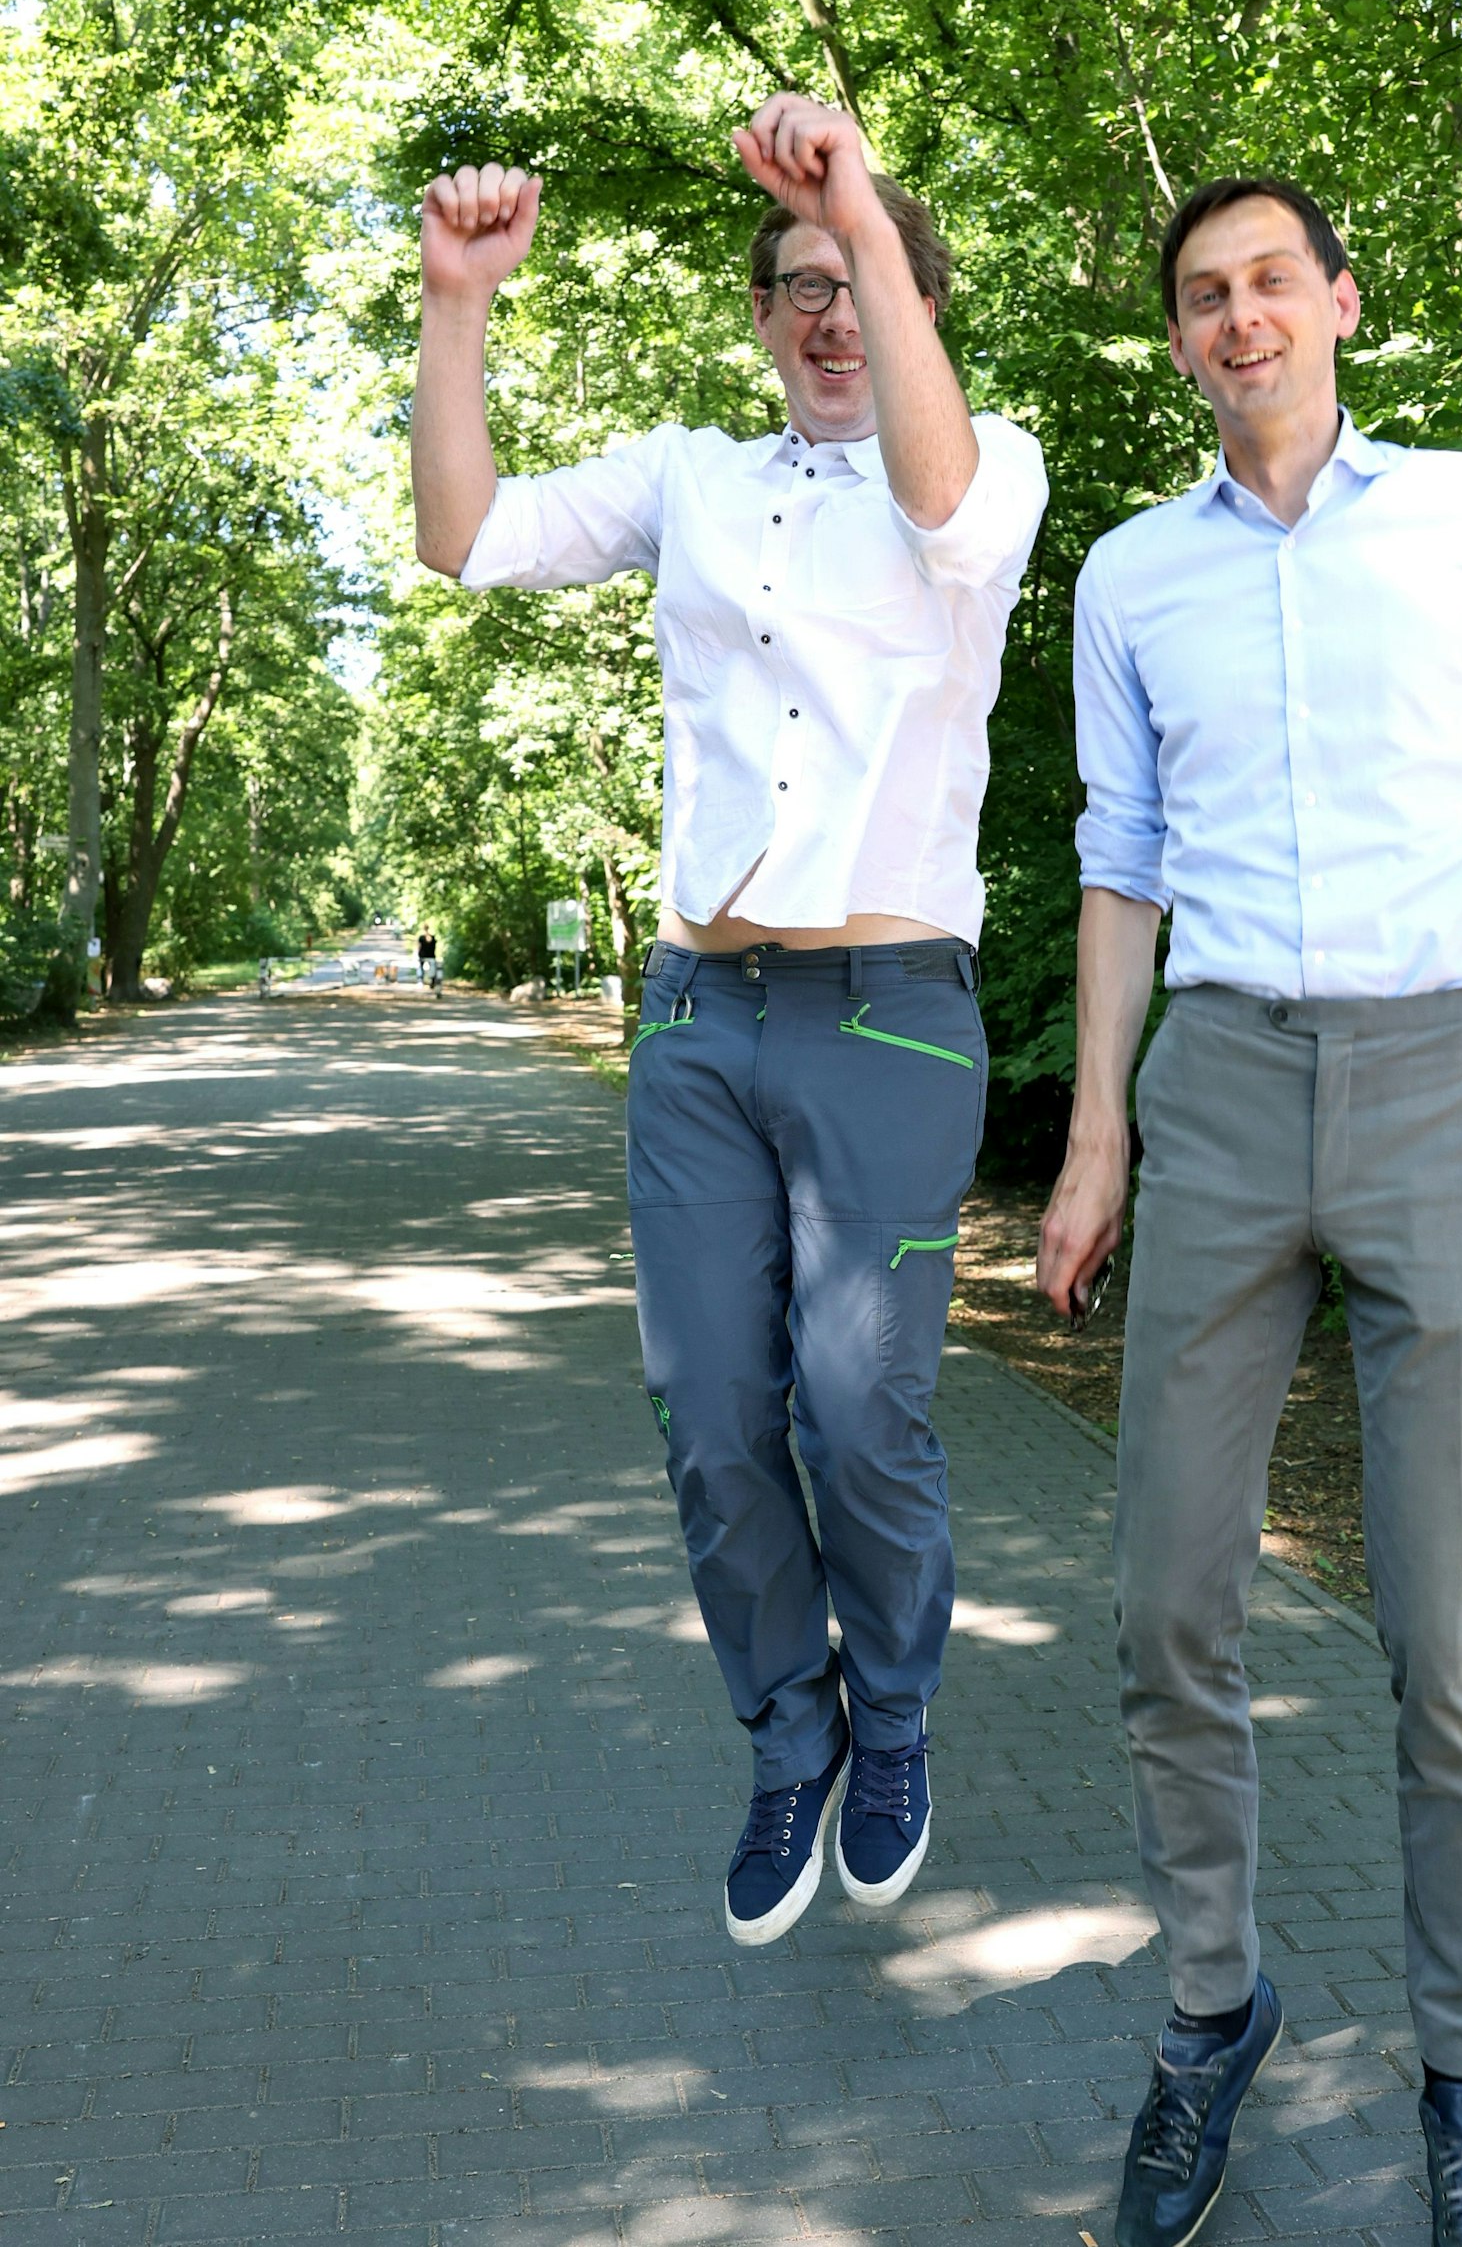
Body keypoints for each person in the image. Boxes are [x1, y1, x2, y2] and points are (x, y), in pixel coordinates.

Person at [1037, 175, 1462, 2247]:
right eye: (1202, 295)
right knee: (1164, 1600)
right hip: (1212, 1083)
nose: (1238, 315)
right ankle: (1214, 2007)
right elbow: (1118, 862)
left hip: (1437, 1074)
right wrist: (1095, 1131)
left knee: (1449, 1633)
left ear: (1337, 303)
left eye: (1269, 278)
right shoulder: (1129, 575)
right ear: (1183, 340)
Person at [410, 96, 1048, 1948]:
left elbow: (931, 492)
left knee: (859, 1406)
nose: (828, 307)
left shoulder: (983, 471)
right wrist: (459, 302)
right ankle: (791, 1728)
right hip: (700, 1016)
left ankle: (900, 1717)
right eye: (796, 286)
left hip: (891, 1014)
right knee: (707, 1411)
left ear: (916, 297)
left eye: (861, 275)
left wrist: (848, 185)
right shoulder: (691, 476)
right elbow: (467, 535)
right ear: (762, 320)